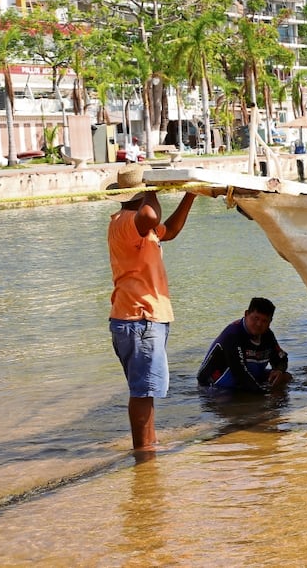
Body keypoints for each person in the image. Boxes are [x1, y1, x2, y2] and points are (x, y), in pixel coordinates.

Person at [107, 163, 197, 452]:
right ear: (139, 193)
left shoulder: (139, 227)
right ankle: (144, 456)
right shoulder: (127, 220)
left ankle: (148, 447)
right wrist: (154, 190)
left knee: (145, 390)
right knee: (143, 391)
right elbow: (150, 214)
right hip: (139, 318)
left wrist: (190, 196)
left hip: (141, 318)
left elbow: (169, 230)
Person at [196, 297, 293, 394]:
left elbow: (281, 358)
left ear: (270, 321)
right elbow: (240, 374)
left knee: (285, 378)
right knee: (254, 401)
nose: (259, 324)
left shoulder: (267, 335)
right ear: (246, 314)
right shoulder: (233, 334)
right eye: (256, 318)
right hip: (214, 386)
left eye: (264, 321)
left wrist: (279, 370)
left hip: (247, 378)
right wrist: (264, 395)